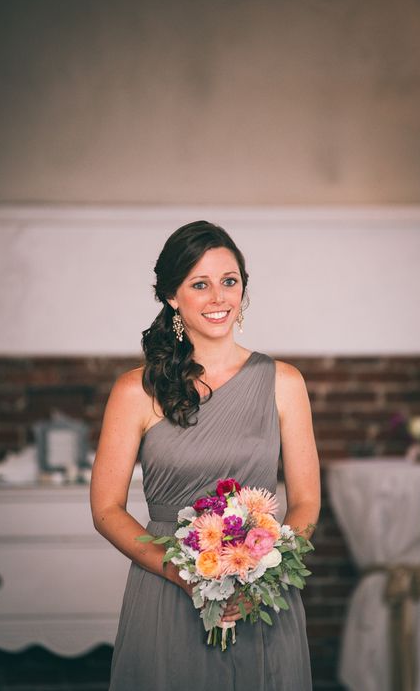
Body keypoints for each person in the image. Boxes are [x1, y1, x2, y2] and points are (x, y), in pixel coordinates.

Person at [90, 220, 320, 690]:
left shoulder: (285, 382)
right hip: (166, 589)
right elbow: (106, 509)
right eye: (200, 284)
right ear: (173, 297)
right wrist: (179, 572)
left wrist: (260, 579)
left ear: (243, 289)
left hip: (261, 597)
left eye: (228, 281)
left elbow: (306, 503)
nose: (219, 297)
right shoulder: (135, 390)